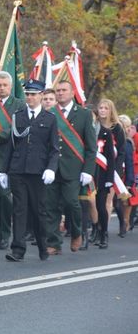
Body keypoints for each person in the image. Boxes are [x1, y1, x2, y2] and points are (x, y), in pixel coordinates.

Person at [0, 79, 58, 262]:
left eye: (33, 94)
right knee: (19, 210)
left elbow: (54, 149)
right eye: (28, 94)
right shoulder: (18, 116)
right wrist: (4, 170)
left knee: (39, 210)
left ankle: (42, 245)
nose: (30, 97)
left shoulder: (49, 119)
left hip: (38, 171)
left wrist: (51, 169)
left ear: (41, 95)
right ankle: (17, 249)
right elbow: (11, 144)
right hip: (18, 170)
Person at [45, 81, 96, 254]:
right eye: (57, 90)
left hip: (74, 169)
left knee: (71, 203)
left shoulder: (83, 114)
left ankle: (76, 233)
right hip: (52, 168)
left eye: (63, 90)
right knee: (51, 206)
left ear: (72, 92)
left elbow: (91, 146)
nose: (60, 93)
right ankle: (54, 242)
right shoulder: (49, 113)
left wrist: (88, 170)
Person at [0, 71, 26, 250]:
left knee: (5, 200)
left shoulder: (19, 104)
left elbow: (17, 127)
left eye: (4, 85)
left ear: (10, 86)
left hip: (8, 157)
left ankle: (5, 234)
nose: (1, 88)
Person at [97, 99, 126, 237]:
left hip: (112, 169)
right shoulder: (94, 126)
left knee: (108, 200)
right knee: (95, 201)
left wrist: (117, 170)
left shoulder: (117, 128)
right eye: (100, 108)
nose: (102, 110)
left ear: (110, 110)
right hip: (97, 168)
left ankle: (105, 229)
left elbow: (121, 152)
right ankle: (98, 227)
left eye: (105, 108)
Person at [88, 106, 115, 249]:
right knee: (89, 203)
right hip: (89, 174)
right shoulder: (84, 131)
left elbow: (110, 157)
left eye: (92, 115)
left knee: (101, 204)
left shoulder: (105, 132)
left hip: (102, 175)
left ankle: (103, 233)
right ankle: (94, 230)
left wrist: (110, 178)